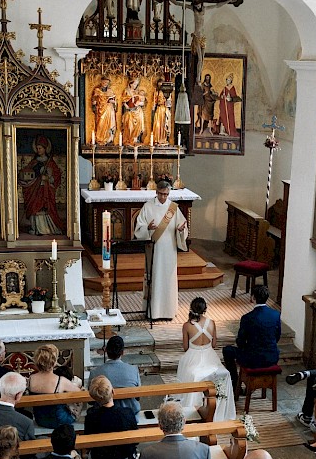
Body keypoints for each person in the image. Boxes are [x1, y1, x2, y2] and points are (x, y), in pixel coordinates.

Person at [172, 297, 236, 421]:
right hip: (210, 357)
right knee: (223, 372)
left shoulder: (186, 325)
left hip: (193, 357)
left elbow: (185, 347)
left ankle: (192, 411)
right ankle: (221, 411)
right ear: (205, 309)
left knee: (188, 372)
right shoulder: (211, 323)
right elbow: (213, 344)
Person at [133, 179, 187, 321]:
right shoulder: (148, 206)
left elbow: (182, 226)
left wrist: (181, 230)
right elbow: (139, 227)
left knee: (168, 279)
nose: (164, 197)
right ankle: (153, 312)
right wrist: (148, 229)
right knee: (154, 278)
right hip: (154, 249)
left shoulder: (173, 208)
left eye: (166, 194)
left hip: (170, 249)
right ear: (156, 192)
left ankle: (169, 312)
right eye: (161, 194)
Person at [222, 284, 281, 390]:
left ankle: (235, 383)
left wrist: (245, 347)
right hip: (272, 357)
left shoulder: (247, 318)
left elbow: (240, 341)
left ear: (253, 297)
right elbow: (277, 336)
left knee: (227, 350)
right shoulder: (276, 314)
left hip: (253, 359)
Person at [84, 376, 139, 459]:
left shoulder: (91, 417)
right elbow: (135, 440)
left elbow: (88, 444)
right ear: (113, 392)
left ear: (94, 398)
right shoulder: (127, 413)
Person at [28, 344, 83, 430]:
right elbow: (79, 394)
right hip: (59, 421)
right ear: (54, 362)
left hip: (40, 419)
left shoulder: (32, 378)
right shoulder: (61, 380)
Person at [20, 135, 64, 236]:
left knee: (45, 207)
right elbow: (28, 173)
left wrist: (48, 178)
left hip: (46, 190)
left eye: (40, 148)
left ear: (45, 148)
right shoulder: (34, 162)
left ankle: (47, 229)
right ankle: (36, 229)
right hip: (35, 190)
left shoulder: (50, 162)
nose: (38, 150)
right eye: (37, 148)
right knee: (35, 207)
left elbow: (56, 176)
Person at [88, 335, 141, 415]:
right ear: (122, 352)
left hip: (102, 416)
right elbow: (138, 397)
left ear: (106, 350)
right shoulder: (133, 370)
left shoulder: (95, 373)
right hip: (129, 414)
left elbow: (91, 400)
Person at [121, 74, 147, 145]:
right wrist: (127, 107)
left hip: (138, 111)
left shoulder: (138, 92)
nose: (135, 85)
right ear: (130, 83)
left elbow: (143, 102)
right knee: (129, 124)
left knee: (139, 123)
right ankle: (129, 139)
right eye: (134, 84)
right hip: (129, 111)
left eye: (136, 84)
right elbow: (123, 101)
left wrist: (139, 103)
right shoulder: (126, 91)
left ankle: (136, 139)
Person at [91, 76, 117, 144]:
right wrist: (94, 102)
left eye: (107, 82)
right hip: (101, 109)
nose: (105, 84)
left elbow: (114, 100)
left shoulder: (110, 91)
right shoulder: (97, 90)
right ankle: (100, 138)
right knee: (101, 123)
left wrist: (113, 102)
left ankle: (108, 138)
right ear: (101, 82)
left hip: (109, 109)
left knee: (110, 124)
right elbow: (94, 98)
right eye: (104, 82)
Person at [216, 73, 240, 138]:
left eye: (229, 80)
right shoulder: (224, 88)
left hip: (229, 106)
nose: (227, 81)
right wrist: (222, 96)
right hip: (224, 105)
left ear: (231, 81)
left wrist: (230, 99)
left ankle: (229, 131)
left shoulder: (232, 88)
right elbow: (221, 96)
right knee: (223, 117)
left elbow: (235, 97)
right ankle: (222, 131)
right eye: (227, 80)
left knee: (229, 117)